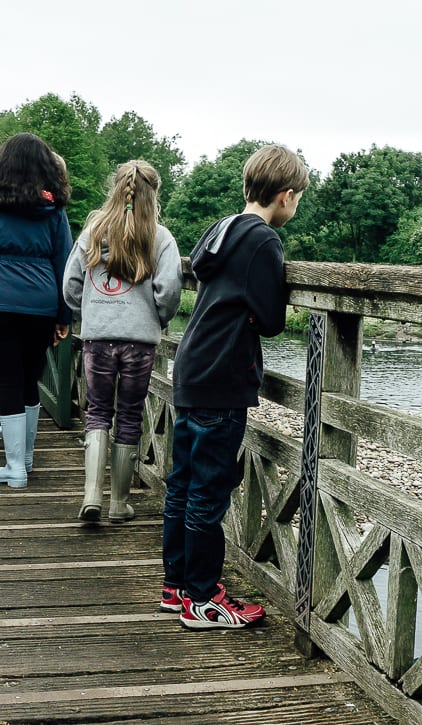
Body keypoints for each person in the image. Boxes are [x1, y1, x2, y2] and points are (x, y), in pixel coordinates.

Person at [162, 144, 308, 629]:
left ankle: (178, 585)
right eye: (298, 199)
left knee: (182, 482)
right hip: (223, 374)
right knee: (210, 488)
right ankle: (203, 600)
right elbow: (270, 320)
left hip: (192, 365)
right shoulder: (263, 240)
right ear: (285, 196)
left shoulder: (221, 229)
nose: (296, 206)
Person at [63, 160, 183, 522]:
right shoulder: (160, 237)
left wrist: (88, 313)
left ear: (115, 188)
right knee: (129, 416)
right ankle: (118, 503)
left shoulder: (92, 231)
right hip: (139, 343)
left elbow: (71, 284)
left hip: (98, 340)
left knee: (97, 412)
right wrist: (156, 318)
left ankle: (90, 497)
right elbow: (170, 290)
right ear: (154, 194)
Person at [0, 133, 73, 489]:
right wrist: (64, 316)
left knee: (7, 381)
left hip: (2, 303)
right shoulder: (55, 210)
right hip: (42, 304)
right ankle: (26, 459)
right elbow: (66, 264)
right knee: (30, 379)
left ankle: (15, 469)